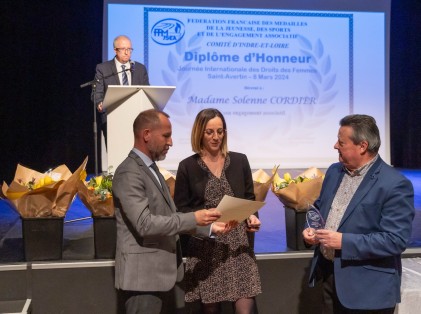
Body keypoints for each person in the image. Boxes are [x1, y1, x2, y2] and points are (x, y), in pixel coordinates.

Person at [113, 109, 232, 314]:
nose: (171, 142)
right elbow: (145, 224)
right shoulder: (129, 171)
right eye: (166, 136)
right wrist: (195, 217)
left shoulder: (151, 169)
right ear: (147, 134)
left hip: (159, 278)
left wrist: (209, 228)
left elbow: (170, 218)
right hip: (143, 281)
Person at [302, 114, 415, 313]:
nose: (335, 146)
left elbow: (395, 240)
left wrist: (344, 242)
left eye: (341, 142)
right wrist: (311, 229)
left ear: (362, 146)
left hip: (367, 290)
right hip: (329, 278)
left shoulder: (394, 184)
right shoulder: (334, 171)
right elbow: (319, 209)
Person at [174, 108, 262, 314]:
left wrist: (252, 217)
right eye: (210, 132)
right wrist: (208, 223)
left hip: (238, 247)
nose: (216, 137)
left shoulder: (240, 161)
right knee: (211, 309)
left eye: (220, 131)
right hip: (207, 247)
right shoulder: (187, 166)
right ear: (199, 133)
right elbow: (182, 210)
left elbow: (249, 199)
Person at [91, 35, 149, 172]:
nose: (127, 52)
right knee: (116, 155)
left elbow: (147, 91)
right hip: (112, 119)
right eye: (123, 49)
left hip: (136, 119)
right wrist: (100, 103)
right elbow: (97, 93)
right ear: (115, 50)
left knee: (137, 155)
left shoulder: (139, 69)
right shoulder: (103, 69)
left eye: (130, 49)